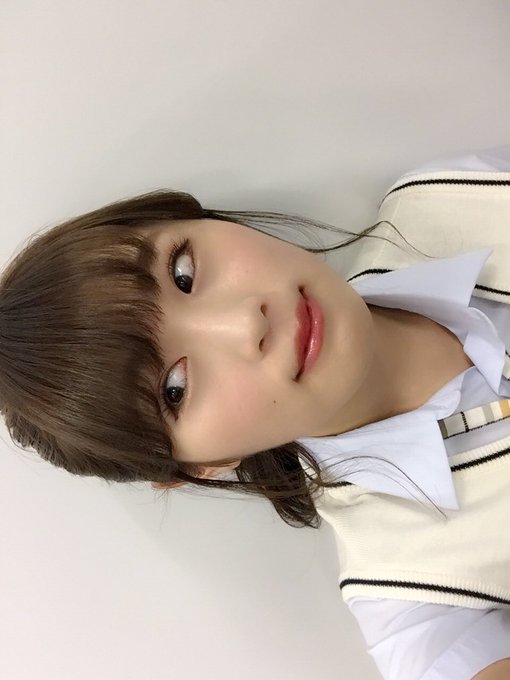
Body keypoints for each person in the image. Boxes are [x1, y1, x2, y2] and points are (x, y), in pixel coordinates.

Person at [1, 145, 510, 679]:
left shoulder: (449, 197)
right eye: (174, 389)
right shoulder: (413, 593)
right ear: (202, 466)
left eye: (183, 272)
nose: (247, 323)